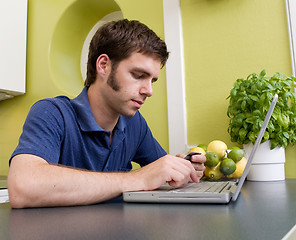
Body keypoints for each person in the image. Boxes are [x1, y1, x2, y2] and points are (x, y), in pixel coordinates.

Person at [8, 19, 206, 208]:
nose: (149, 91)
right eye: (138, 76)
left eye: (152, 80)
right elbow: (23, 187)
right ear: (103, 65)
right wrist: (137, 178)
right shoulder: (52, 113)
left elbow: (159, 171)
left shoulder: (134, 123)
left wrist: (182, 168)